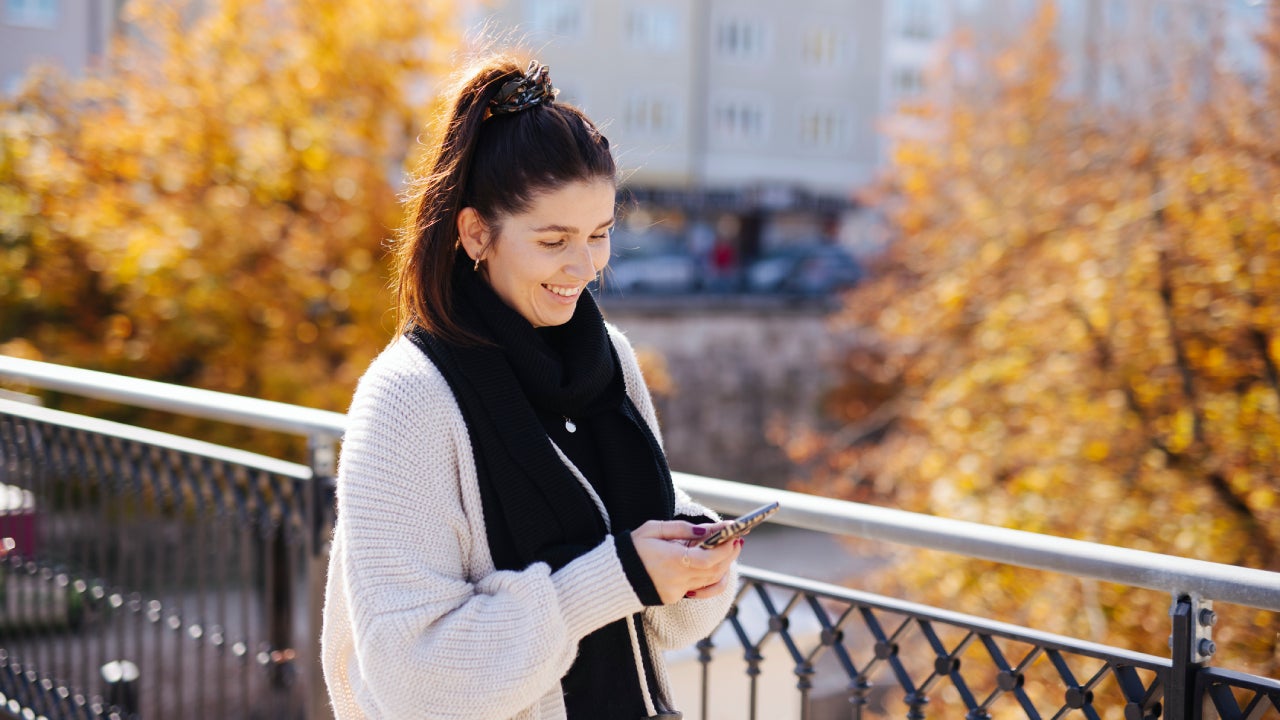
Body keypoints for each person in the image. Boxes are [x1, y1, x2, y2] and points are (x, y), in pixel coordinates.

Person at [320, 56, 742, 720]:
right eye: (554, 241)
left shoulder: (611, 364)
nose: (585, 266)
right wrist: (616, 578)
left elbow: (667, 625)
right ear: (476, 233)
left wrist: (696, 559)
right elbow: (411, 678)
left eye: (600, 236)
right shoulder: (407, 400)